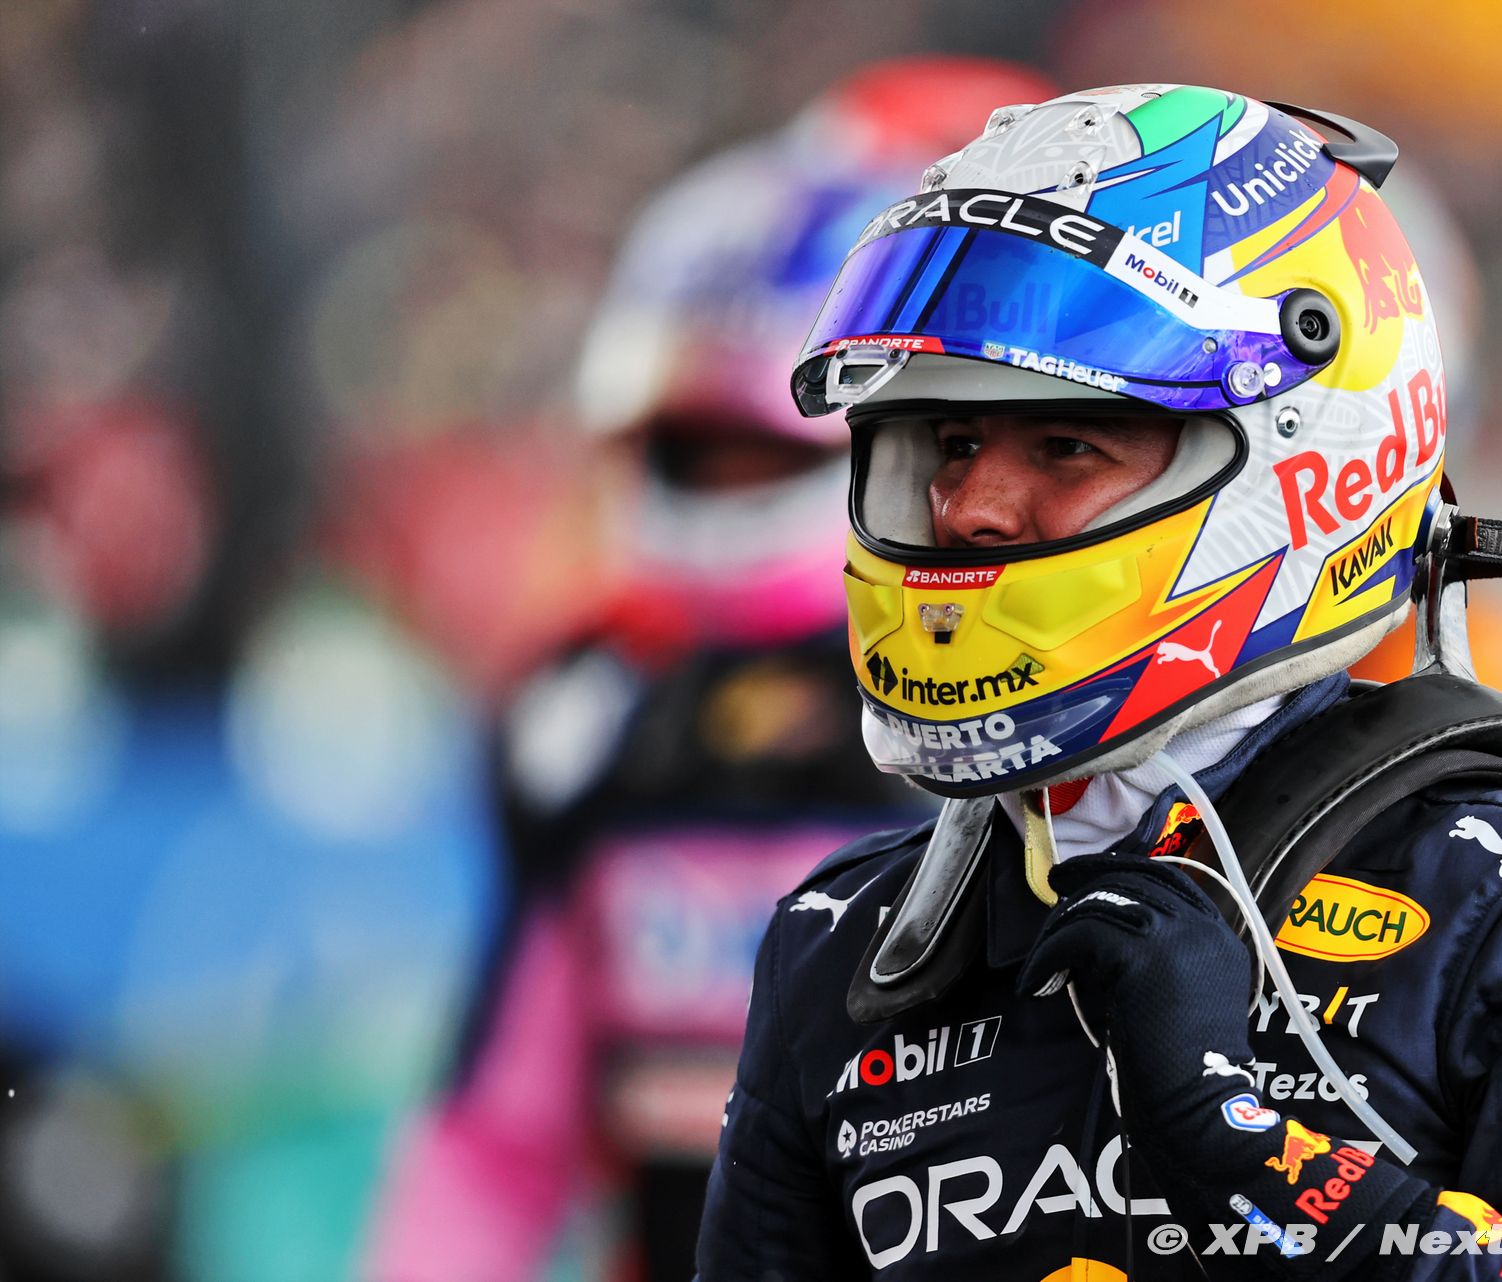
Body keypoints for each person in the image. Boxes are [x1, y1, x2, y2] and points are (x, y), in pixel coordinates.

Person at [697, 84, 1502, 1280]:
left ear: (1298, 465)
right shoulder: (845, 943)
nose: (971, 508)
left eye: (1067, 444)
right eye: (950, 444)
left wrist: (1244, 1145)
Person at [365, 57, 1054, 1282]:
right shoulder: (583, 717)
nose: (726, 484)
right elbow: (498, 1142)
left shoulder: (1050, 693)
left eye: (759, 448)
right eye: (696, 446)